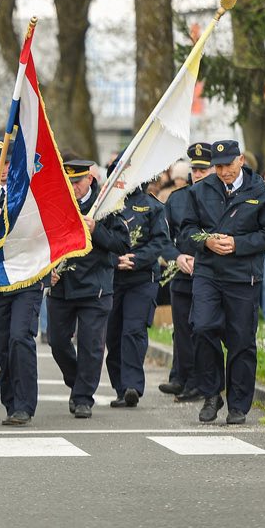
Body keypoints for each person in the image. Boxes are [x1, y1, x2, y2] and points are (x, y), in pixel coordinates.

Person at [180, 140, 265, 425]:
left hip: (243, 276)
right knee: (201, 328)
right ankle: (212, 393)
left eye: (227, 165)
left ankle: (238, 404)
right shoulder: (200, 190)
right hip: (208, 273)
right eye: (218, 166)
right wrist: (207, 242)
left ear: (240, 160)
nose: (223, 171)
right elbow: (185, 231)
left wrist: (239, 244)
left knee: (241, 340)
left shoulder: (261, 191)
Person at [0, 136, 44, 427]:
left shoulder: (29, 195)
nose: (0, 168)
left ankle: (24, 405)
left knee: (19, 338)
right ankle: (11, 403)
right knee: (1, 345)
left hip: (25, 277)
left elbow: (39, 232)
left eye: (7, 162)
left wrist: (6, 217)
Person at [48, 158, 128, 418]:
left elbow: (121, 244)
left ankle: (83, 397)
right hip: (62, 286)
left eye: (78, 182)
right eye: (68, 182)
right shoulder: (55, 203)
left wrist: (96, 229)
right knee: (58, 342)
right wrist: (46, 271)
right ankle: (77, 381)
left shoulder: (107, 206)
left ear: (89, 180)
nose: (73, 187)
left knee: (91, 345)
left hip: (96, 286)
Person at [105, 172, 169, 409]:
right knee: (113, 335)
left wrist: (138, 259)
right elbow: (98, 239)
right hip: (112, 278)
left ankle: (132, 385)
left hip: (142, 278)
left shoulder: (153, 206)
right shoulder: (106, 207)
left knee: (133, 330)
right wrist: (115, 260)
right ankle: (120, 388)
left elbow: (160, 241)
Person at [158, 143, 212, 401]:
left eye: (204, 169)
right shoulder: (177, 198)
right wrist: (177, 257)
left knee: (202, 328)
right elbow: (163, 238)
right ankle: (183, 377)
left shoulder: (222, 199)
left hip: (210, 272)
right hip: (182, 272)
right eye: (195, 169)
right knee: (181, 329)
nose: (198, 174)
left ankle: (198, 381)